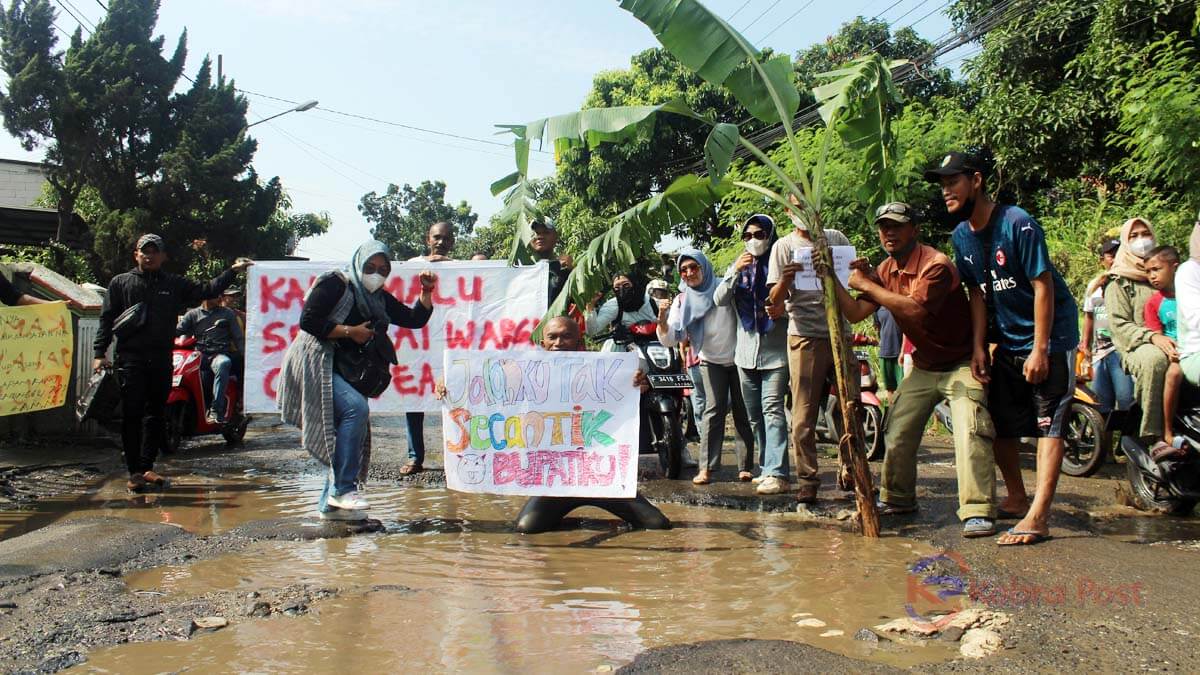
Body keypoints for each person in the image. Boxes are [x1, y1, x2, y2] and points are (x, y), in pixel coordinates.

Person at [931, 152, 1078, 546]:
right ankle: (1016, 496)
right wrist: (980, 346)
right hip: (1006, 341)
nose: (946, 190)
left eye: (953, 181)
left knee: (1050, 422)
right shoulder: (962, 235)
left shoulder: (1018, 224)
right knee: (1000, 421)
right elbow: (976, 293)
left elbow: (1042, 285)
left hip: (1051, 337)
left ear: (976, 181)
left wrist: (1041, 349)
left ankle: (1039, 516)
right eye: (942, 184)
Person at [832, 202, 998, 538]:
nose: (888, 233)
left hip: (961, 362)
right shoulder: (886, 270)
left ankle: (978, 510)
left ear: (915, 230)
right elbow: (853, 313)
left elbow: (914, 310)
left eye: (896, 226)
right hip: (924, 364)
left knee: (970, 429)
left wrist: (866, 283)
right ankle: (897, 497)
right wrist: (832, 279)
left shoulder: (936, 265)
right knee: (898, 427)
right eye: (883, 227)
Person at [278, 241, 434, 520]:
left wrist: (425, 292)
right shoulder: (336, 283)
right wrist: (349, 331)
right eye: (370, 267)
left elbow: (413, 319)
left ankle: (330, 507)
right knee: (356, 410)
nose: (376, 274)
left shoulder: (379, 299)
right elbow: (309, 320)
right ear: (357, 263)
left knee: (350, 431)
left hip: (340, 369)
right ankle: (343, 489)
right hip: (315, 361)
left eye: (383, 270)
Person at [93, 234, 252, 492]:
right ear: (136, 254)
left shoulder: (173, 284)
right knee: (132, 415)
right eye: (145, 251)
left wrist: (233, 271)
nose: (149, 255)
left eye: (155, 251)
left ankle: (147, 467)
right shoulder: (120, 283)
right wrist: (99, 353)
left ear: (163, 256)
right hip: (130, 359)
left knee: (156, 413)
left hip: (162, 359)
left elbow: (207, 289)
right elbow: (106, 319)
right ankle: (133, 471)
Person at [493, 316, 669, 533]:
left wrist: (635, 384)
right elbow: (492, 399)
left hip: (602, 478)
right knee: (526, 529)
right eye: (553, 337)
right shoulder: (528, 380)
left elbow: (631, 392)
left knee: (656, 525)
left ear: (580, 343)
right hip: (557, 482)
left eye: (567, 336)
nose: (559, 342)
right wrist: (450, 388)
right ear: (543, 345)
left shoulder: (606, 373)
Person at [765, 201, 856, 503]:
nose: (801, 209)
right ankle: (808, 479)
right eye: (794, 205)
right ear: (787, 211)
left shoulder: (837, 239)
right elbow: (774, 304)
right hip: (804, 335)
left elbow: (851, 280)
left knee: (849, 405)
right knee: (803, 413)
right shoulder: (783, 246)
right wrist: (786, 279)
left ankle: (852, 471)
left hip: (839, 332)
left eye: (805, 203)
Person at [658, 249, 755, 485]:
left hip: (739, 357)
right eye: (684, 270)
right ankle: (707, 468)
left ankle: (746, 467)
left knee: (743, 412)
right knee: (713, 412)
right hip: (710, 360)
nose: (689, 273)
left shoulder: (725, 287)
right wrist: (661, 317)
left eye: (694, 267)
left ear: (704, 267)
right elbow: (671, 338)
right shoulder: (682, 300)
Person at [714, 214, 790, 495]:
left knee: (772, 409)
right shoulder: (738, 266)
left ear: (770, 235)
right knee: (754, 415)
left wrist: (783, 309)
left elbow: (794, 299)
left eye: (759, 234)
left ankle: (778, 473)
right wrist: (734, 270)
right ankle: (765, 467)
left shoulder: (781, 264)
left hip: (776, 352)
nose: (753, 240)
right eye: (747, 236)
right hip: (745, 353)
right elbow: (719, 300)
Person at [1106, 218, 1172, 446]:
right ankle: (1152, 435)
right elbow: (1119, 324)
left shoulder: (1169, 275)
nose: (1141, 240)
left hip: (1173, 339)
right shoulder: (1118, 282)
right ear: (1124, 242)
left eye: (1145, 233)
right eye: (1133, 236)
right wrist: (1152, 337)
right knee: (1155, 361)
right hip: (1136, 346)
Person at [401, 221, 457, 476]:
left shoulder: (461, 269)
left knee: (453, 397)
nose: (441, 242)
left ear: (453, 242)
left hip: (448, 342)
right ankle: (415, 457)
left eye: (446, 238)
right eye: (437, 237)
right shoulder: (412, 265)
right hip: (417, 344)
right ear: (428, 239)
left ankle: (456, 455)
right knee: (414, 400)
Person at [1080, 239, 1134, 415]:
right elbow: (1089, 317)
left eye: (1118, 253)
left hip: (1121, 352)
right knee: (1100, 408)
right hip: (1099, 354)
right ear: (1102, 259)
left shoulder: (1128, 282)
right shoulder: (1094, 286)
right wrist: (1085, 346)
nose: (1115, 258)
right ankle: (1103, 443)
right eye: (1111, 255)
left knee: (1126, 402)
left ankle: (1130, 443)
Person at [176, 296, 244, 425]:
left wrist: (244, 355)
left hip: (218, 354)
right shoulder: (192, 314)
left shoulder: (227, 313)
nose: (219, 298)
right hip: (198, 355)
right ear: (205, 297)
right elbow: (178, 331)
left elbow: (238, 337)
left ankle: (216, 409)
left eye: (220, 295)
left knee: (224, 363)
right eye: (215, 295)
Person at [1143, 246, 1183, 450]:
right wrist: (1168, 347)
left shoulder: (1191, 293)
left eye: (1156, 269)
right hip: (1176, 354)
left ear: (1174, 267)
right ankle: (1166, 431)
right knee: (1173, 375)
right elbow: (1155, 333)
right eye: (1148, 271)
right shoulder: (1154, 302)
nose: (1152, 276)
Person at [585, 273, 659, 352]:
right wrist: (590, 307)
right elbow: (592, 330)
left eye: (626, 285)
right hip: (622, 350)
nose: (622, 289)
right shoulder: (613, 306)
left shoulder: (653, 302)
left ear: (634, 284)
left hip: (655, 347)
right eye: (617, 287)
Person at [529, 217, 572, 303]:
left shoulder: (564, 267)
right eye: (536, 233)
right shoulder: (520, 268)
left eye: (546, 232)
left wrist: (571, 270)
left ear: (556, 236)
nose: (540, 236)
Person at [874, 306, 902, 403]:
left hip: (900, 353)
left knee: (902, 388)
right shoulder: (877, 309)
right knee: (890, 388)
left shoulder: (899, 304)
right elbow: (877, 327)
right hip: (884, 353)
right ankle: (892, 412)